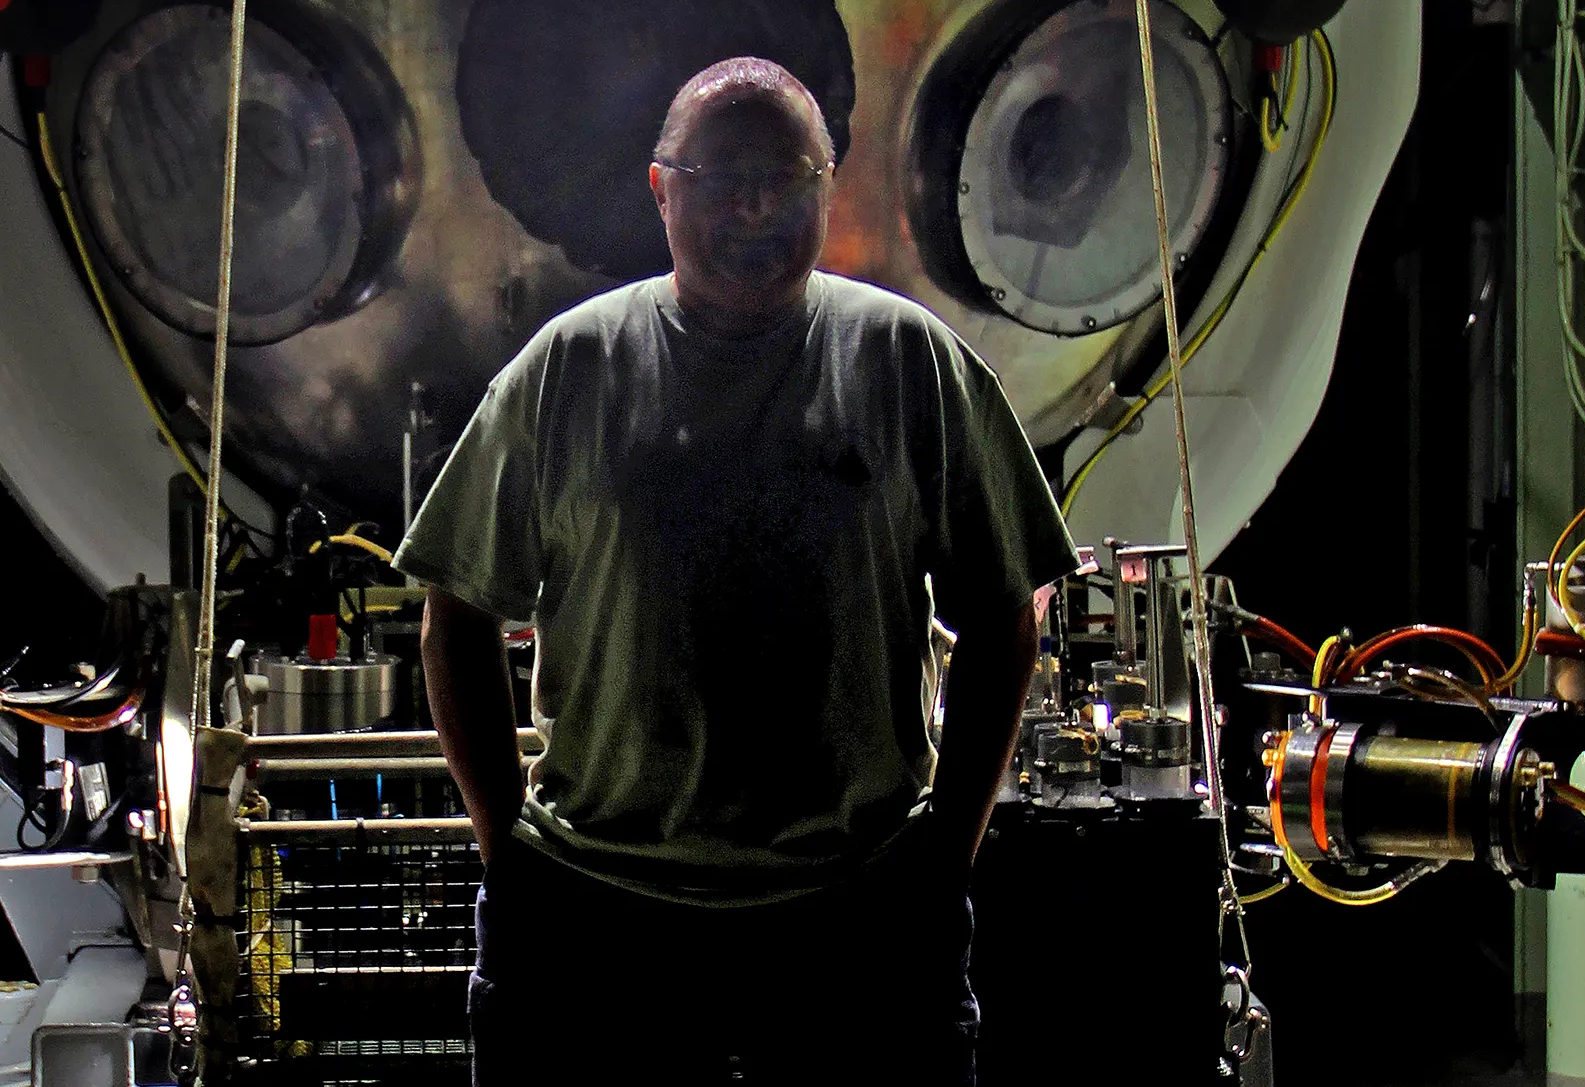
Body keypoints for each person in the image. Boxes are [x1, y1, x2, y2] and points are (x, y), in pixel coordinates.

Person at [392, 54, 1080, 1086]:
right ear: (662, 188)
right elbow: (455, 614)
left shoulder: (908, 362)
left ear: (827, 187)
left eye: (785, 176)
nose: (753, 202)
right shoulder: (569, 367)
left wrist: (946, 849)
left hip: (857, 913)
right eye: (720, 176)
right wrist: (509, 849)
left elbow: (1004, 614)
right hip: (594, 914)